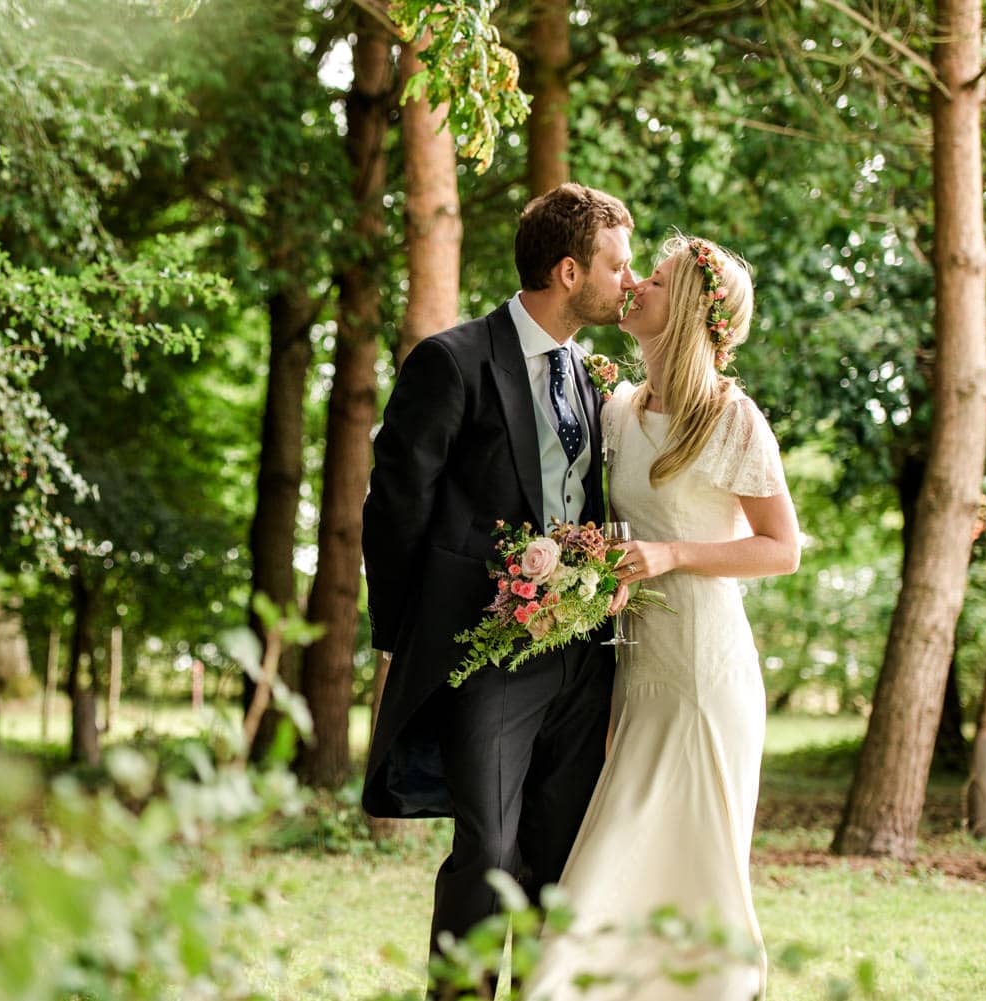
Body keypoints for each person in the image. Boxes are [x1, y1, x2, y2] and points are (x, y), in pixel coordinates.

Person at [360, 182, 637, 999]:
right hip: (487, 654)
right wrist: (412, 632)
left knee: (558, 850)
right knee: (486, 847)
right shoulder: (454, 361)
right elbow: (396, 503)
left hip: (584, 660)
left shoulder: (591, 378)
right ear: (567, 270)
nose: (629, 282)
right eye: (617, 266)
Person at [525, 235, 801, 1001]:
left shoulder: (732, 419)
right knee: (623, 854)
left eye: (656, 277)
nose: (635, 282)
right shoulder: (619, 409)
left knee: (681, 861)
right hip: (637, 668)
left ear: (685, 309)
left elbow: (782, 550)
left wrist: (674, 554)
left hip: (707, 675)